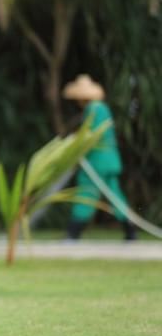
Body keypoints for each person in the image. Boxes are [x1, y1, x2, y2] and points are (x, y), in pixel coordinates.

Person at [62, 74, 137, 240]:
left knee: (85, 194)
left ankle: (73, 234)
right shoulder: (102, 108)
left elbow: (92, 134)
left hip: (97, 162)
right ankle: (131, 233)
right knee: (115, 197)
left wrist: (75, 142)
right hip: (110, 161)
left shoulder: (93, 109)